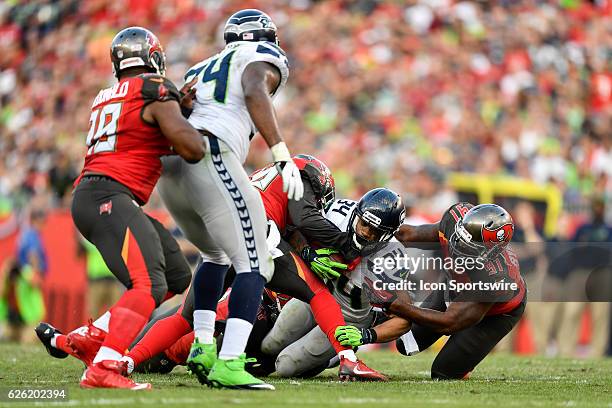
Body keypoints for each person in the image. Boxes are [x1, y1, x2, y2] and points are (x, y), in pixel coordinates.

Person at [35, 26, 204, 390]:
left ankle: (84, 338)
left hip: (100, 196)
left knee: (175, 276)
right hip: (108, 196)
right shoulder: (153, 90)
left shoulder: (106, 95)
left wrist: (177, 109)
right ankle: (103, 367)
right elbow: (193, 149)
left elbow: (138, 135)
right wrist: (192, 117)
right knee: (147, 286)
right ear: (154, 58)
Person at [125, 159, 386, 382]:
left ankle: (126, 361)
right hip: (254, 229)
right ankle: (348, 359)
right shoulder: (301, 172)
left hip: (219, 230)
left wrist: (306, 251)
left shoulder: (271, 180)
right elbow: (305, 218)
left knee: (188, 316)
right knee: (318, 294)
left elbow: (292, 225)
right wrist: (346, 246)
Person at [157, 9, 303, 390]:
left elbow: (179, 110)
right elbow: (254, 85)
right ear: (266, 38)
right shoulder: (262, 59)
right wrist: (281, 152)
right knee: (255, 260)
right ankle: (229, 361)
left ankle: (204, 346)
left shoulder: (199, 68)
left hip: (173, 165)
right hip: (211, 155)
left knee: (216, 255)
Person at [336, 203, 527, 380]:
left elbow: (448, 323)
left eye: (468, 246)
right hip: (454, 286)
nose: (458, 246)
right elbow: (409, 235)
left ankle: (466, 361)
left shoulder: (497, 279)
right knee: (405, 344)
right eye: (459, 238)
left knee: (443, 372)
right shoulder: (454, 218)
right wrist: (376, 225)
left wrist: (392, 303)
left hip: (495, 314)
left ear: (490, 252)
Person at [263, 188, 405, 379]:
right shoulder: (338, 213)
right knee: (270, 344)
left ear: (388, 235)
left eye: (376, 232)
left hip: (349, 318)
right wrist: (308, 253)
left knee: (285, 365)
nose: (365, 233)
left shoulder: (391, 260)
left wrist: (366, 335)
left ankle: (334, 357)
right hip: (315, 298)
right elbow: (295, 227)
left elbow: (404, 319)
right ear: (356, 213)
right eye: (364, 224)